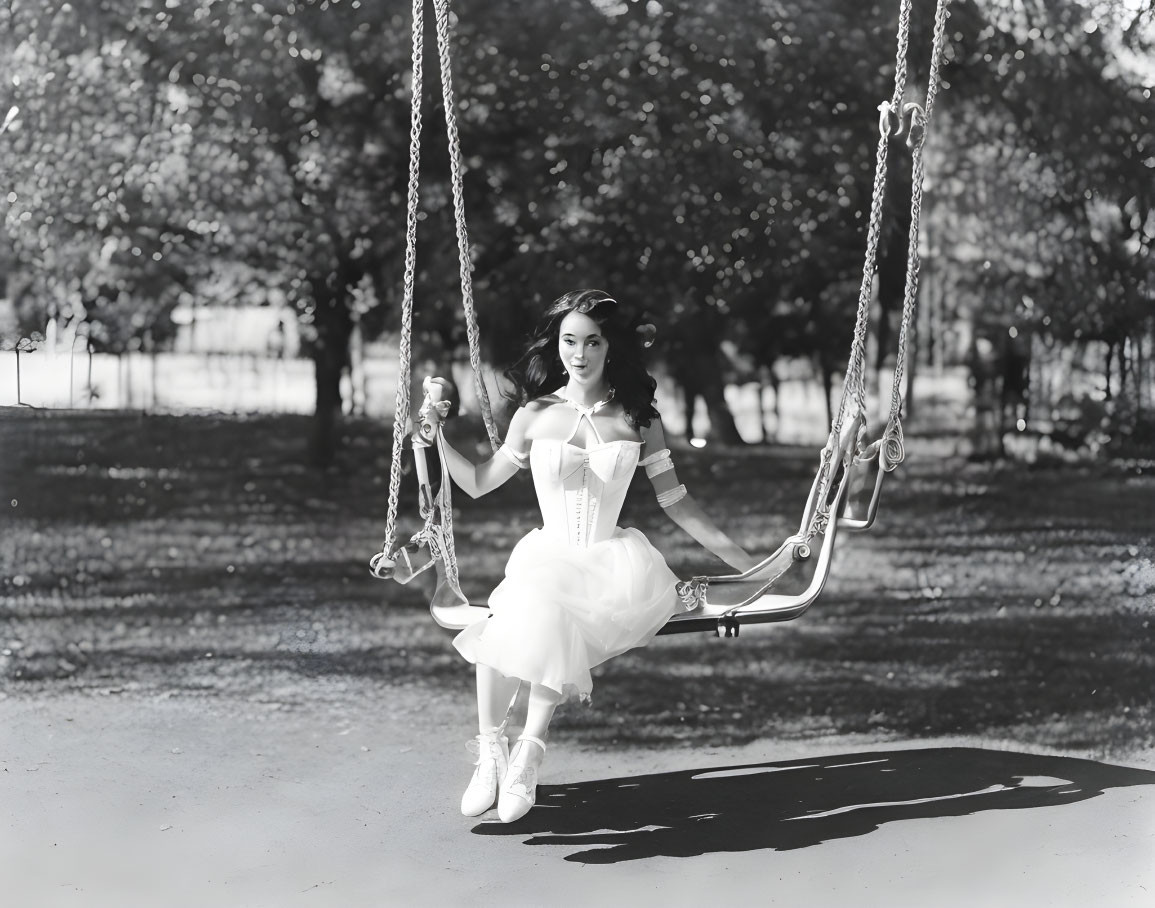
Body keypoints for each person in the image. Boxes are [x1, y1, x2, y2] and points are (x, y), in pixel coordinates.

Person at [420, 289, 757, 824]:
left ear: (610, 345)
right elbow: (480, 485)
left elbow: (676, 502)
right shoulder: (534, 415)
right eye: (568, 341)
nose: (578, 354)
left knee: (548, 608)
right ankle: (491, 752)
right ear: (557, 344)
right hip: (546, 555)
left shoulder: (638, 418)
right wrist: (434, 439)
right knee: (518, 612)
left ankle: (528, 750)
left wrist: (749, 564)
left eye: (592, 342)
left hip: (609, 565)